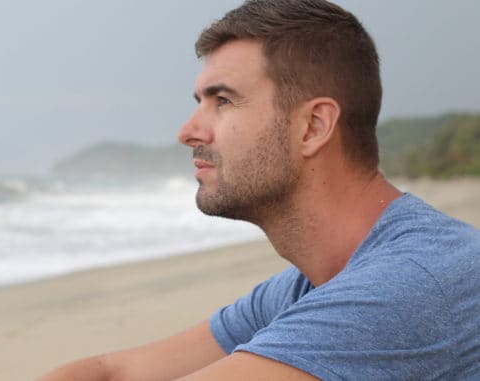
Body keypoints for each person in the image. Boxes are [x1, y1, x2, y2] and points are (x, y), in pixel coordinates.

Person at [37, 0, 480, 379]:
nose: (188, 131)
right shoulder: (307, 286)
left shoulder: (409, 286)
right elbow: (116, 372)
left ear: (313, 126)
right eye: (200, 104)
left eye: (223, 100)